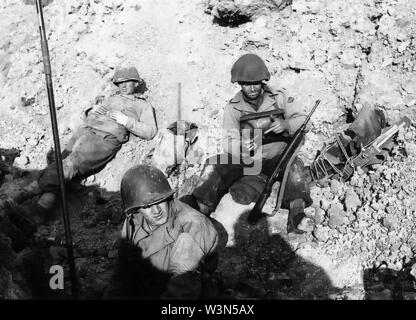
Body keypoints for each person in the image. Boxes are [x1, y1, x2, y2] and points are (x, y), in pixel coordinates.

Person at [2, 66, 158, 227]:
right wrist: (93, 113)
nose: (123, 85)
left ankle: (28, 203)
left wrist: (126, 121)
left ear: (135, 83)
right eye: (119, 82)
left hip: (104, 139)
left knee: (70, 164)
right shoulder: (111, 99)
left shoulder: (142, 106)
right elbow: (94, 113)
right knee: (61, 163)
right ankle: (34, 211)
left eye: (127, 82)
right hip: (86, 131)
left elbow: (150, 132)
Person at [183, 53, 312, 233]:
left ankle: (296, 214)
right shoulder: (233, 107)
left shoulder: (279, 97)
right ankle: (202, 209)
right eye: (246, 84)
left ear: (263, 80)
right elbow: (228, 140)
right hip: (249, 160)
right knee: (216, 163)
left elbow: (305, 121)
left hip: (278, 158)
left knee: (295, 169)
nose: (252, 88)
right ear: (239, 84)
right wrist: (242, 147)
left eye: (256, 82)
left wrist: (286, 124)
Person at [109, 165, 218, 299]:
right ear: (136, 209)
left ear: (167, 197)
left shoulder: (192, 226)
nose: (156, 211)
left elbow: (183, 289)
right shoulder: (134, 222)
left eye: (159, 202)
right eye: (146, 206)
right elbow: (122, 271)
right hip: (150, 284)